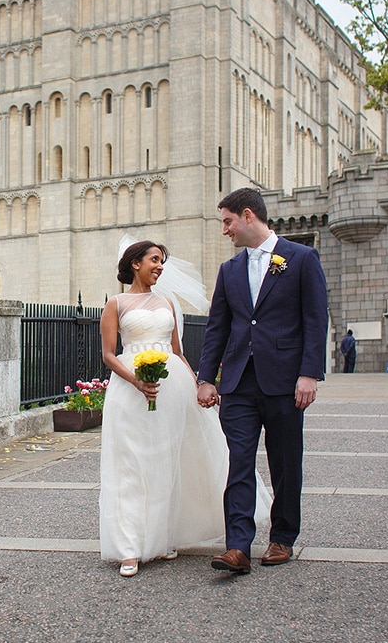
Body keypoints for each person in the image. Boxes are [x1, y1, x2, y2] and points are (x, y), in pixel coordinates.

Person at [99, 239, 269, 577]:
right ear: (135, 263)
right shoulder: (115, 304)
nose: (160, 266)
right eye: (155, 260)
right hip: (131, 388)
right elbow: (108, 355)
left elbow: (176, 351)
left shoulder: (167, 301)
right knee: (131, 462)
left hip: (170, 384)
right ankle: (129, 546)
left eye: (162, 261)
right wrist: (136, 380)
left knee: (167, 458)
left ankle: (161, 537)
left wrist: (197, 383)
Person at [197, 187, 328, 574]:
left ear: (248, 215)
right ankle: (237, 546)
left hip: (286, 382)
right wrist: (207, 378)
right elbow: (217, 328)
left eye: (227, 221)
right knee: (238, 462)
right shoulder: (229, 270)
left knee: (285, 461)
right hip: (238, 383)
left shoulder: (301, 258)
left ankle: (282, 537)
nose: (225, 231)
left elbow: (315, 321)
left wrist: (309, 374)